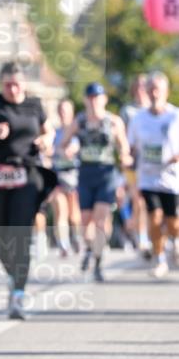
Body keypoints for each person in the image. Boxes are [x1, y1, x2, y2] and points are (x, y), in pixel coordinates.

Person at [0, 62, 56, 319]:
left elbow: (49, 131)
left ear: (24, 83)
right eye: (8, 85)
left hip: (26, 175)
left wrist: (45, 141)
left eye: (17, 84)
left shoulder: (34, 105)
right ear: (1, 84)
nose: (13, 89)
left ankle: (18, 292)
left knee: (21, 232)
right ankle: (13, 275)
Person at [59, 82, 132, 282]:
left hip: (106, 173)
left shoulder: (114, 122)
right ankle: (90, 250)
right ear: (85, 99)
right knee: (85, 220)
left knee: (100, 219)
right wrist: (67, 150)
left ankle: (98, 263)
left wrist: (125, 157)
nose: (93, 101)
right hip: (85, 173)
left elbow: (123, 146)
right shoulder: (79, 122)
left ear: (104, 99)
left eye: (97, 97)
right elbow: (63, 144)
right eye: (90, 97)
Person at [127, 71, 179, 278]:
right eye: (151, 89)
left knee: (173, 223)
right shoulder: (138, 119)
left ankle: (175, 241)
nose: (154, 93)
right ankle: (160, 259)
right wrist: (127, 159)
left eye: (158, 89)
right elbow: (131, 149)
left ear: (166, 92)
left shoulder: (175, 116)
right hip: (148, 178)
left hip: (172, 179)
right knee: (154, 218)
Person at [121, 74, 152, 254]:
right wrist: (125, 156)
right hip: (134, 163)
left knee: (151, 204)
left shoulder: (155, 109)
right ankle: (142, 239)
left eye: (144, 86)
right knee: (138, 200)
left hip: (153, 165)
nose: (141, 90)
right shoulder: (128, 110)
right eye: (138, 86)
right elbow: (123, 136)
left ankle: (143, 231)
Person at [50, 98, 82, 256]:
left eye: (66, 111)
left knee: (74, 214)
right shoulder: (54, 132)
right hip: (57, 176)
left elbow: (73, 149)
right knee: (60, 210)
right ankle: (63, 244)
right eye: (61, 111)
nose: (63, 114)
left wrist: (62, 150)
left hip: (73, 176)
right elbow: (49, 151)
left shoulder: (76, 132)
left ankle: (76, 237)